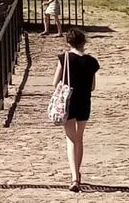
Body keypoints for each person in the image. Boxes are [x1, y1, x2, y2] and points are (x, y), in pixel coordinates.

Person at [53, 28, 100, 192]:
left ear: (68, 42)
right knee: (79, 138)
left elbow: (55, 82)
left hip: (68, 102)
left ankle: (74, 178)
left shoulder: (64, 58)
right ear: (84, 42)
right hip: (84, 102)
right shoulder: (92, 62)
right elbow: (93, 86)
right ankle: (77, 174)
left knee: (70, 139)